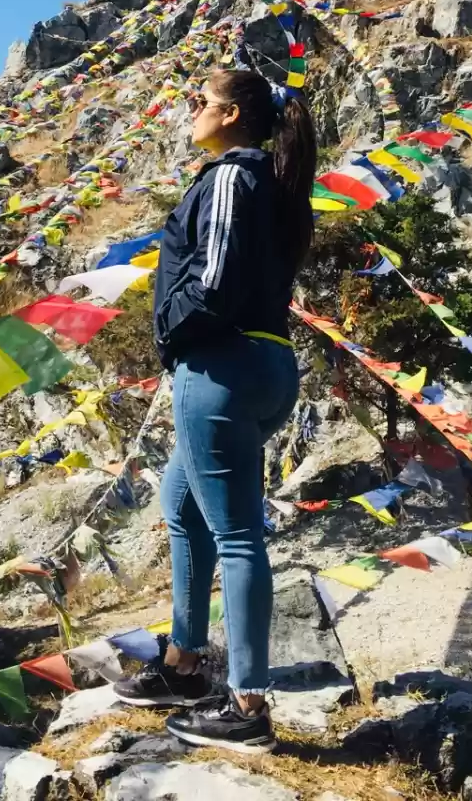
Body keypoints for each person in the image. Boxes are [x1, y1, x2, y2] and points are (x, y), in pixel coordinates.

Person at [114, 66, 318, 753]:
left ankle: (248, 704)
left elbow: (217, 279)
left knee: (235, 535)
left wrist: (173, 328)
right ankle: (182, 665)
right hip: (253, 363)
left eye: (199, 102)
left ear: (232, 115)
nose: (190, 111)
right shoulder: (271, 183)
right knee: (182, 508)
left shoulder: (233, 175)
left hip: (222, 364)